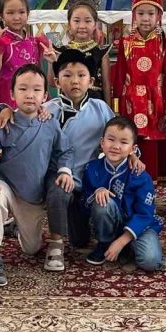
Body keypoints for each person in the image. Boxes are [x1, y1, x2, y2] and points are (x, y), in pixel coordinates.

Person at [0, 64, 74, 282]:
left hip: (32, 195)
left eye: (36, 89)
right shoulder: (4, 121)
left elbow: (64, 150)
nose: (30, 95)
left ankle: (14, 226)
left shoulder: (50, 123)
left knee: (31, 249)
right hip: (7, 185)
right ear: (12, 94)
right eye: (23, 89)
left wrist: (65, 171)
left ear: (45, 96)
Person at [43, 49, 125, 248]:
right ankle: (56, 245)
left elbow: (119, 137)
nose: (75, 81)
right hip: (60, 177)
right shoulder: (48, 109)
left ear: (91, 80)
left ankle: (96, 223)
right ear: (57, 81)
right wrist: (5, 111)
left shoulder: (100, 108)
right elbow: (21, 116)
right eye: (67, 76)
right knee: (59, 192)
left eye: (81, 75)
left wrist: (131, 155)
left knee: (80, 240)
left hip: (90, 179)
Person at [112, 0, 166, 181]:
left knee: (152, 146)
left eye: (151, 13)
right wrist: (116, 109)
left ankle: (151, 187)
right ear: (134, 15)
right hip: (130, 103)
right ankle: (128, 186)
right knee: (130, 142)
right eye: (141, 13)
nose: (146, 18)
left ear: (159, 16)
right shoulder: (126, 42)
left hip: (156, 105)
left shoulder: (165, 43)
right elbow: (119, 76)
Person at [83, 117, 164, 271]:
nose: (116, 146)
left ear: (133, 148)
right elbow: (84, 203)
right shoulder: (91, 168)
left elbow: (145, 213)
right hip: (110, 221)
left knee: (151, 262)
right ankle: (104, 243)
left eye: (124, 142)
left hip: (138, 225)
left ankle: (125, 245)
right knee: (102, 201)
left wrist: (122, 241)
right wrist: (96, 192)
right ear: (102, 143)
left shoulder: (140, 175)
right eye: (111, 140)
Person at [0, 0, 54, 108]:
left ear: (28, 13)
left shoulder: (35, 42)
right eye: (10, 13)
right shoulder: (1, 41)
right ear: (2, 15)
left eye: (21, 12)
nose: (17, 17)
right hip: (10, 96)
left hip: (33, 95)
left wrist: (51, 63)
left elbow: (48, 78)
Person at [53, 1, 112, 104]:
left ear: (95, 25)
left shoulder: (101, 52)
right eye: (76, 21)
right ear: (69, 25)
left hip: (94, 103)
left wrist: (108, 110)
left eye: (87, 21)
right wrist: (51, 61)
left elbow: (106, 84)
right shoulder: (62, 51)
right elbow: (52, 82)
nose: (82, 26)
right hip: (68, 102)